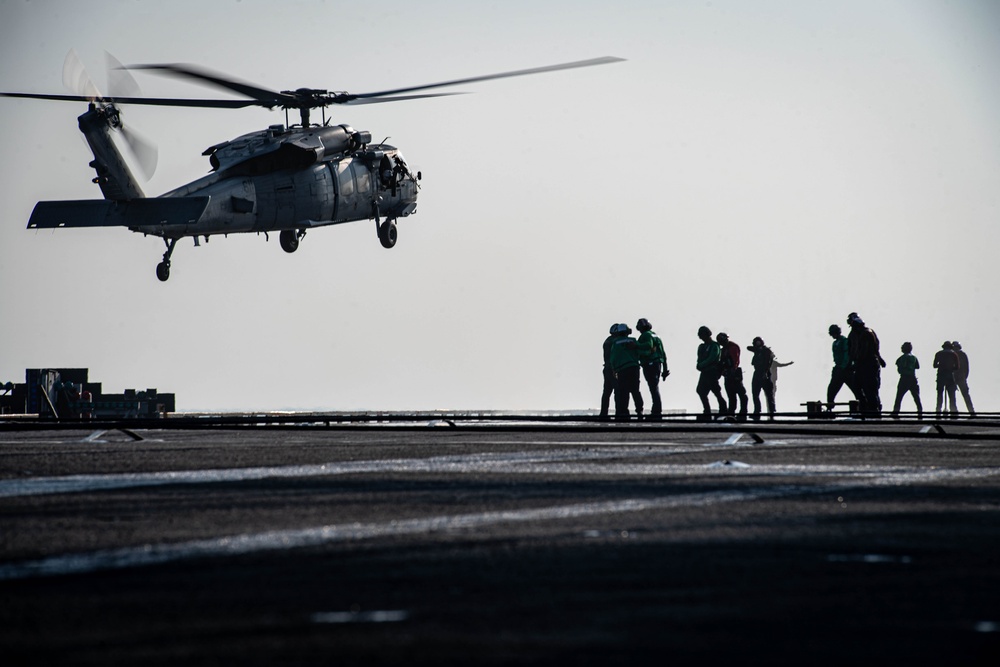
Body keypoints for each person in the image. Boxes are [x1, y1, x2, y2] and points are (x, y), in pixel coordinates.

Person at [846, 312, 886, 417]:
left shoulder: (866, 333)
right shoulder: (855, 334)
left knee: (870, 389)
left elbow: (866, 350)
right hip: (863, 364)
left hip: (868, 364)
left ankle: (874, 411)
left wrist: (854, 363)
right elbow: (852, 350)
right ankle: (866, 408)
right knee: (858, 386)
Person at [636, 318, 669, 420]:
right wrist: (665, 369)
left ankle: (656, 411)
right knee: (654, 387)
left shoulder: (646, 335)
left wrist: (635, 346)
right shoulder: (656, 335)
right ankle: (656, 410)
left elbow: (648, 345)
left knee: (653, 387)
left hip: (650, 364)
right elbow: (663, 353)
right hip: (658, 364)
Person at [609, 323, 643, 421]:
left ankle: (624, 413)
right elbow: (639, 352)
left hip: (622, 370)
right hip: (634, 368)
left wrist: (613, 369)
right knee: (635, 390)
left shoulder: (615, 342)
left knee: (624, 392)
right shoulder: (633, 340)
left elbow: (613, 357)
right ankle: (639, 411)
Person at [695, 326, 728, 419]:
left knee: (716, 391)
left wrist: (702, 364)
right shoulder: (702, 347)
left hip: (712, 371)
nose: (700, 337)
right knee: (701, 391)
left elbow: (712, 357)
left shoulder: (715, 345)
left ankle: (723, 408)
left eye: (702, 335)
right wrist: (699, 364)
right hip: (704, 372)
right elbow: (699, 358)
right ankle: (707, 411)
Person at [716, 332, 747, 421]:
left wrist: (731, 370)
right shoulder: (724, 350)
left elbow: (735, 361)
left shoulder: (732, 347)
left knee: (742, 395)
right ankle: (731, 414)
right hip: (728, 374)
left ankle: (742, 413)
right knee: (732, 396)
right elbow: (722, 362)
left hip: (733, 374)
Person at [826, 324, 856, 411]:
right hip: (838, 369)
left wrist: (844, 366)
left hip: (846, 370)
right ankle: (830, 407)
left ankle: (864, 406)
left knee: (856, 389)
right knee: (831, 390)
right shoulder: (835, 343)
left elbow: (847, 355)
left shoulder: (844, 341)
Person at [890, 342, 922, 419]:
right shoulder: (914, 357)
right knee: (916, 397)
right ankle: (920, 412)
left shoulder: (903, 357)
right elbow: (917, 366)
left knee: (899, 397)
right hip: (913, 378)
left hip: (904, 378)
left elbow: (902, 366)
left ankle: (895, 412)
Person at [747, 337, 776, 420]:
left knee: (769, 395)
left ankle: (772, 412)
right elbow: (748, 348)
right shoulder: (757, 350)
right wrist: (757, 349)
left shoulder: (766, 351)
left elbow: (768, 362)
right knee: (755, 394)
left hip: (765, 373)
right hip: (757, 373)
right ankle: (757, 412)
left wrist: (765, 372)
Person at [933, 341, 960, 419]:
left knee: (940, 394)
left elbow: (934, 365)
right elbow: (957, 367)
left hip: (941, 375)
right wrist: (950, 367)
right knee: (952, 395)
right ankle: (953, 412)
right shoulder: (954, 354)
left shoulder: (938, 354)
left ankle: (938, 412)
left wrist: (941, 365)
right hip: (950, 376)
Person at [599, 324, 618, 420]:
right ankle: (619, 412)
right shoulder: (614, 342)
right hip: (613, 368)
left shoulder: (607, 341)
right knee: (617, 391)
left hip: (606, 368)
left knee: (606, 392)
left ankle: (603, 413)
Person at [952, 342, 976, 417]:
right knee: (965, 395)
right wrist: (964, 377)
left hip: (955, 377)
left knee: (952, 396)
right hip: (960, 377)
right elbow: (966, 367)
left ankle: (954, 413)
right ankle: (971, 412)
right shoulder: (962, 355)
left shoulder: (953, 355)